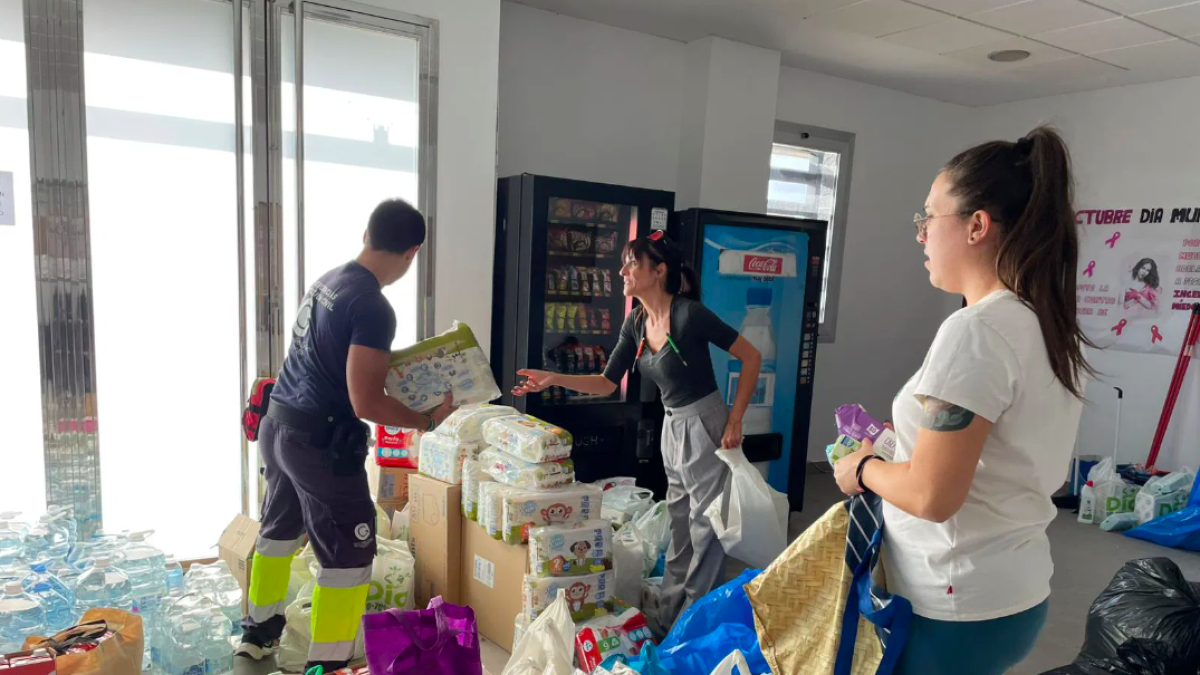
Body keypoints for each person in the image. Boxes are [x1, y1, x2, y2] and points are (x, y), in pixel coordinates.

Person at [833, 127, 1094, 675]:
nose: (921, 234)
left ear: (977, 225)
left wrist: (863, 467)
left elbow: (932, 495)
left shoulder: (975, 331)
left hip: (952, 603)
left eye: (929, 217)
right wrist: (904, 442)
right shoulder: (1043, 323)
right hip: (1014, 589)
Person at [237, 199, 455, 672]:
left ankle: (256, 635)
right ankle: (328, 666)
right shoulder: (373, 306)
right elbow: (366, 402)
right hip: (318, 442)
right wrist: (427, 421)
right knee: (349, 558)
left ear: (367, 234)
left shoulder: (329, 281)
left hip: (279, 426)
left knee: (278, 534)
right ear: (411, 252)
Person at [512, 230, 763, 627]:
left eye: (631, 262)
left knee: (705, 529)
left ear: (658, 271)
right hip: (673, 426)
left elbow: (751, 356)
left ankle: (696, 622)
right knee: (680, 524)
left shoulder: (689, 315)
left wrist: (735, 420)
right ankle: (669, 619)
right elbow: (606, 381)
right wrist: (552, 378)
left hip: (706, 424)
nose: (622, 270)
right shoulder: (637, 321)